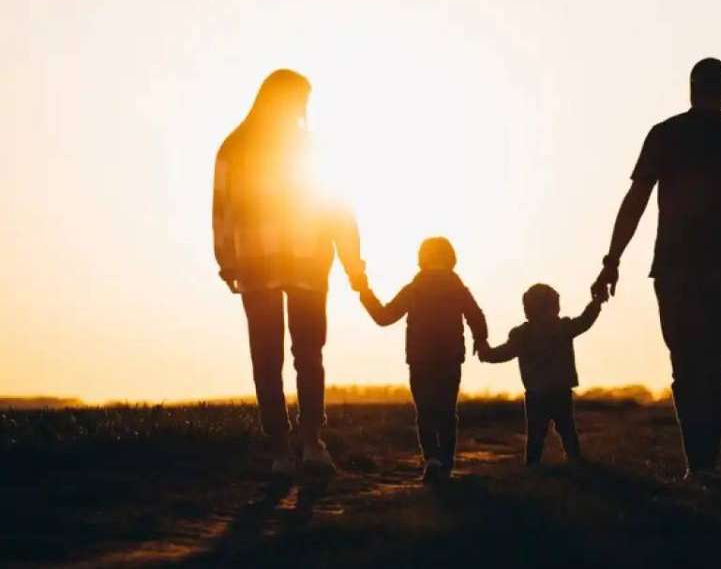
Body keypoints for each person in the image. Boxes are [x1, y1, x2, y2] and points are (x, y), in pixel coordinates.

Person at [590, 58, 721, 482]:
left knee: (686, 367)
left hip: (676, 268)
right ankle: (705, 465)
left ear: (691, 90)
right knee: (713, 368)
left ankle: (697, 465)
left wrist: (612, 260)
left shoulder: (666, 135)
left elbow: (636, 200)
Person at [213, 69, 367, 476]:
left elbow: (221, 210)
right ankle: (303, 444)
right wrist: (353, 264)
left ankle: (293, 447)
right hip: (298, 261)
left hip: (278, 262)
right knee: (302, 355)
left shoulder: (236, 146)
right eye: (301, 99)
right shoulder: (298, 147)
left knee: (274, 357)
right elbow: (338, 210)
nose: (304, 108)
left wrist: (227, 259)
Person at [359, 236, 488, 483]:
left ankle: (431, 459)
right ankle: (446, 463)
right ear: (451, 259)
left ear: (421, 259)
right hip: (450, 358)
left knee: (425, 411)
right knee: (447, 411)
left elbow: (384, 317)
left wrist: (365, 293)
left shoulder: (414, 289)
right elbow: (477, 317)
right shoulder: (457, 288)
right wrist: (480, 341)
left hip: (420, 359)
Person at [479, 284, 603, 466]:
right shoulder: (562, 327)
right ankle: (574, 461)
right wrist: (596, 303)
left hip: (537, 392)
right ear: (555, 306)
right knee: (566, 429)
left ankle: (533, 466)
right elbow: (585, 321)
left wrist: (487, 354)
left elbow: (505, 353)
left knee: (537, 434)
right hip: (560, 389)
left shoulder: (522, 334)